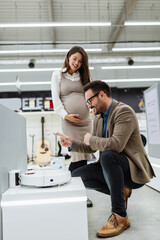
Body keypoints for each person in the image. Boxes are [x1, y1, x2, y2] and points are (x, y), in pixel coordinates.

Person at [56, 80, 155, 238]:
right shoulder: (99, 118)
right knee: (77, 176)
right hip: (112, 166)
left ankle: (120, 216)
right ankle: (120, 191)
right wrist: (72, 144)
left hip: (132, 171)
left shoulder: (124, 111)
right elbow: (92, 147)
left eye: (90, 100)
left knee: (108, 155)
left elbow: (116, 145)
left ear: (101, 95)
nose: (88, 105)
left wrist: (91, 139)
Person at [51, 46, 93, 207]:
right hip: (69, 122)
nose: (77, 63)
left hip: (86, 121)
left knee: (84, 157)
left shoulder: (85, 76)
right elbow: (56, 102)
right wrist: (66, 115)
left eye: (81, 61)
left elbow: (90, 97)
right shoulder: (57, 75)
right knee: (77, 156)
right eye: (75, 59)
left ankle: (78, 193)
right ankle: (74, 192)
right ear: (68, 57)